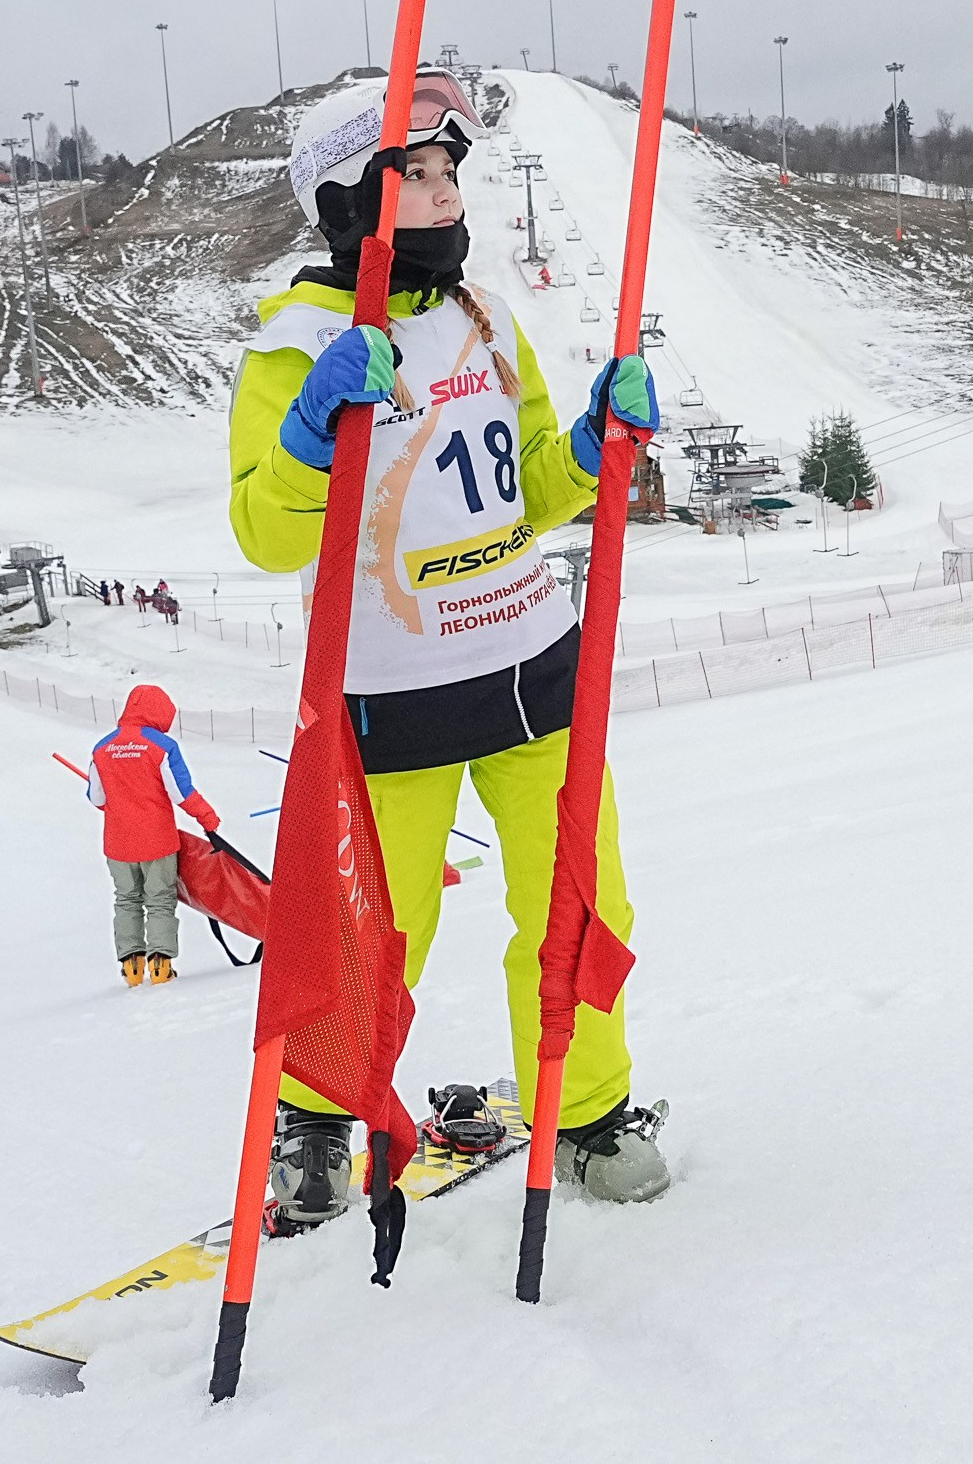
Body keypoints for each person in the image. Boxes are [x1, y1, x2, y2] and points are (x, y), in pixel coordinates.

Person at [226, 68, 669, 1226]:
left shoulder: (485, 317)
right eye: (410, 175)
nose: (440, 192)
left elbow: (525, 496)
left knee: (579, 900)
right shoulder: (299, 345)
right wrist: (316, 432)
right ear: (345, 205)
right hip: (395, 695)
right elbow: (266, 534)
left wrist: (591, 441)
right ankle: (320, 1125)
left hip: (532, 667)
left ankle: (585, 1109)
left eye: (444, 172)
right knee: (374, 928)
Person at [85, 684, 221, 987]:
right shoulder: (162, 746)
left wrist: (119, 800)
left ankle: (132, 966)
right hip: (157, 841)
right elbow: (182, 793)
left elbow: (96, 798)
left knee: (127, 899)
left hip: (117, 843)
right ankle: (160, 964)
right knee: (159, 900)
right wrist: (209, 819)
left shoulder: (102, 748)